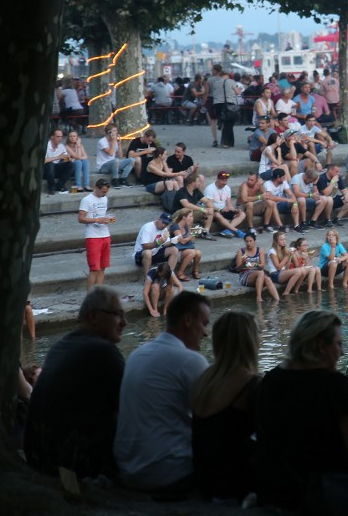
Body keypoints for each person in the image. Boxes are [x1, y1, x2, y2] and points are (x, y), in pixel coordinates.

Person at [255, 310, 348, 514]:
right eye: (338, 344)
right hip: (322, 491)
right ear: (321, 347)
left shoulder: (271, 380)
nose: (341, 352)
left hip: (276, 487)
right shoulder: (336, 385)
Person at [24, 286, 126, 480]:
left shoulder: (60, 346)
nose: (125, 323)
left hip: (42, 462)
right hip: (74, 469)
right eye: (118, 315)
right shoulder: (103, 352)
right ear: (94, 316)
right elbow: (131, 412)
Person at [114, 291, 211, 493]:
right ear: (187, 320)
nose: (205, 333)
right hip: (168, 473)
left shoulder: (137, 354)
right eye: (204, 323)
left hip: (128, 469)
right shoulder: (190, 360)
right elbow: (212, 419)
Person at [192, 311, 262, 502]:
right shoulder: (251, 383)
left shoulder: (205, 377)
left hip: (205, 481)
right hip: (234, 487)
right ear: (250, 341)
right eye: (258, 334)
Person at [78, 179, 114, 290]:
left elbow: (102, 214)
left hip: (105, 234)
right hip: (93, 236)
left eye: (106, 191)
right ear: (96, 188)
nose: (104, 194)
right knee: (94, 269)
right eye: (103, 191)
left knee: (103, 267)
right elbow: (81, 218)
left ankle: (99, 293)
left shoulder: (105, 199)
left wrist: (107, 218)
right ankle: (90, 296)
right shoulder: (86, 200)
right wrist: (96, 220)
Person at [234, 230, 279, 301]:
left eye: (250, 241)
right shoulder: (241, 251)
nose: (248, 243)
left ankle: (277, 300)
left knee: (267, 279)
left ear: (255, 241)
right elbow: (237, 269)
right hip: (245, 276)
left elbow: (262, 266)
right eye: (247, 241)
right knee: (261, 273)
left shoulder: (260, 250)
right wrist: (243, 264)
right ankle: (259, 297)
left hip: (258, 274)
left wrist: (255, 264)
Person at [269, 230, 317, 295]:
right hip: (275, 274)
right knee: (298, 271)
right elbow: (278, 268)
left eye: (284, 239)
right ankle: (286, 293)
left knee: (302, 270)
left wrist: (290, 256)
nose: (284, 241)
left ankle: (296, 290)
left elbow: (286, 267)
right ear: (276, 241)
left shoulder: (284, 250)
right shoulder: (272, 251)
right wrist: (287, 256)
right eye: (281, 240)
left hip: (283, 272)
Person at [134, 211, 180, 277]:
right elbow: (145, 246)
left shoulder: (165, 230)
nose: (164, 225)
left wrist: (172, 242)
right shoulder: (147, 227)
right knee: (148, 253)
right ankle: (147, 278)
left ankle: (168, 277)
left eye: (166, 224)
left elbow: (164, 245)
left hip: (155, 253)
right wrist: (157, 243)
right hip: (141, 255)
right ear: (159, 219)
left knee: (174, 250)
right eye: (163, 223)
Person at [206, 170, 248, 237]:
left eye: (226, 180)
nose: (224, 183)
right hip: (214, 210)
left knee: (242, 214)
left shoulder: (227, 188)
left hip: (224, 210)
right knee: (217, 214)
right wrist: (220, 209)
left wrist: (235, 210)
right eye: (222, 180)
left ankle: (227, 230)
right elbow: (209, 205)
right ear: (217, 179)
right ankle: (236, 231)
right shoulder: (210, 189)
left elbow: (229, 204)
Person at [263, 168, 302, 233]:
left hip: (281, 204)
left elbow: (291, 194)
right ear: (278, 178)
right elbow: (270, 197)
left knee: (295, 203)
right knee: (273, 203)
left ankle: (296, 226)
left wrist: (295, 203)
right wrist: (286, 200)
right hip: (271, 205)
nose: (285, 178)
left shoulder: (283, 182)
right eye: (283, 177)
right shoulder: (268, 184)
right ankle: (280, 226)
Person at [43, 127, 74, 195]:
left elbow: (64, 158)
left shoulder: (61, 146)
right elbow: (43, 161)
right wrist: (58, 157)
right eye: (58, 137)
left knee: (70, 165)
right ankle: (51, 187)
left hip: (56, 168)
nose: (60, 139)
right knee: (50, 165)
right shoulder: (46, 146)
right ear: (52, 137)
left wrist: (68, 158)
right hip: (46, 170)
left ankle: (59, 186)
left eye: (61, 137)